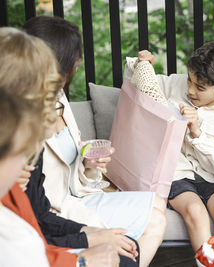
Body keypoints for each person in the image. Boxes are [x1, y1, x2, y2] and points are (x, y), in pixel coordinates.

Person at [23, 16, 166, 267]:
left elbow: (74, 169)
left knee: (156, 209)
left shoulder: (56, 94)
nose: (79, 62)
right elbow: (37, 213)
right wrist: (91, 235)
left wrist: (89, 164)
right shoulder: (20, 121)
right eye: (75, 57)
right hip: (57, 210)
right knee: (141, 231)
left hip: (76, 197)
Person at [0, 27, 119, 267]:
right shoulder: (12, 235)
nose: (49, 131)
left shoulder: (13, 194)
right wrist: (81, 260)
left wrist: (89, 166)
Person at [131, 40, 214, 250]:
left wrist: (197, 133)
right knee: (195, 212)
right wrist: (142, 64)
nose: (191, 90)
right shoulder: (175, 85)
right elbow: (138, 85)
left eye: (200, 87)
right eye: (189, 81)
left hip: (210, 175)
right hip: (175, 172)